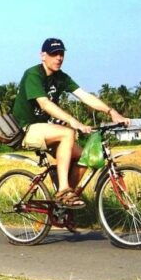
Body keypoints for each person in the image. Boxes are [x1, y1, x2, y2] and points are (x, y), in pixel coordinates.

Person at [12, 38, 130, 208]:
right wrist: (74, 122)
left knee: (85, 158)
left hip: (47, 129)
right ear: (42, 56)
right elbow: (45, 103)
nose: (58, 58)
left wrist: (112, 112)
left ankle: (64, 200)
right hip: (27, 129)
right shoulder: (33, 74)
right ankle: (63, 189)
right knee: (68, 132)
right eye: (54, 54)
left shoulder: (61, 78)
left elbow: (84, 96)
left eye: (61, 53)